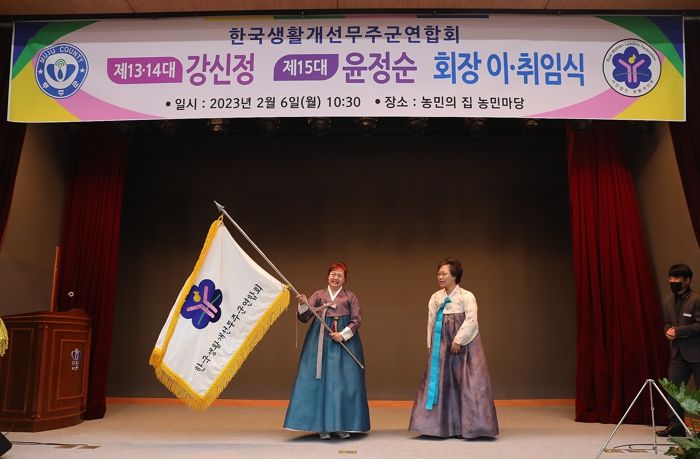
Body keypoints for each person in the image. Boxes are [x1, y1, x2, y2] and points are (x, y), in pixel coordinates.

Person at [409, 257, 499, 439]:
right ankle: (441, 427)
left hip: (465, 346)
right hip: (441, 345)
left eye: (444, 274)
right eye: (439, 274)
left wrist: (458, 340)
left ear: (454, 276)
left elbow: (472, 320)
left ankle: (470, 427)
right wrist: (430, 346)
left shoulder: (467, 296)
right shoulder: (436, 297)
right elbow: (431, 322)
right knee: (442, 383)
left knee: (467, 382)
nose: (440, 277)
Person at [283, 262, 370, 439]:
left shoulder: (350, 297)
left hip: (345, 343)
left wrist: (343, 335)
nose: (335, 278)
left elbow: (356, 319)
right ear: (328, 276)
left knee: (344, 383)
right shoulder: (318, 295)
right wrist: (303, 304)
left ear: (344, 279)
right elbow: (304, 317)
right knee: (319, 381)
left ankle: (342, 425)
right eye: (333, 274)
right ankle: (322, 426)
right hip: (319, 342)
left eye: (339, 275)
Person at [657, 263, 700, 437]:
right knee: (673, 389)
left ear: (687, 280)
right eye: (670, 278)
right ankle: (675, 426)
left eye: (676, 278)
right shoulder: (668, 301)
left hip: (697, 353)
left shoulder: (696, 299)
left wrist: (678, 331)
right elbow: (667, 323)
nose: (672, 281)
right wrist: (667, 331)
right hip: (677, 354)